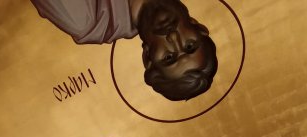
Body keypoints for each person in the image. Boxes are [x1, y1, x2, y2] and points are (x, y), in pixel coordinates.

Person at [30, 0, 217, 101]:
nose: (174, 38)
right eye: (190, 46)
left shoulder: (86, 20)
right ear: (198, 27)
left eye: (169, 57)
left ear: (147, 57)